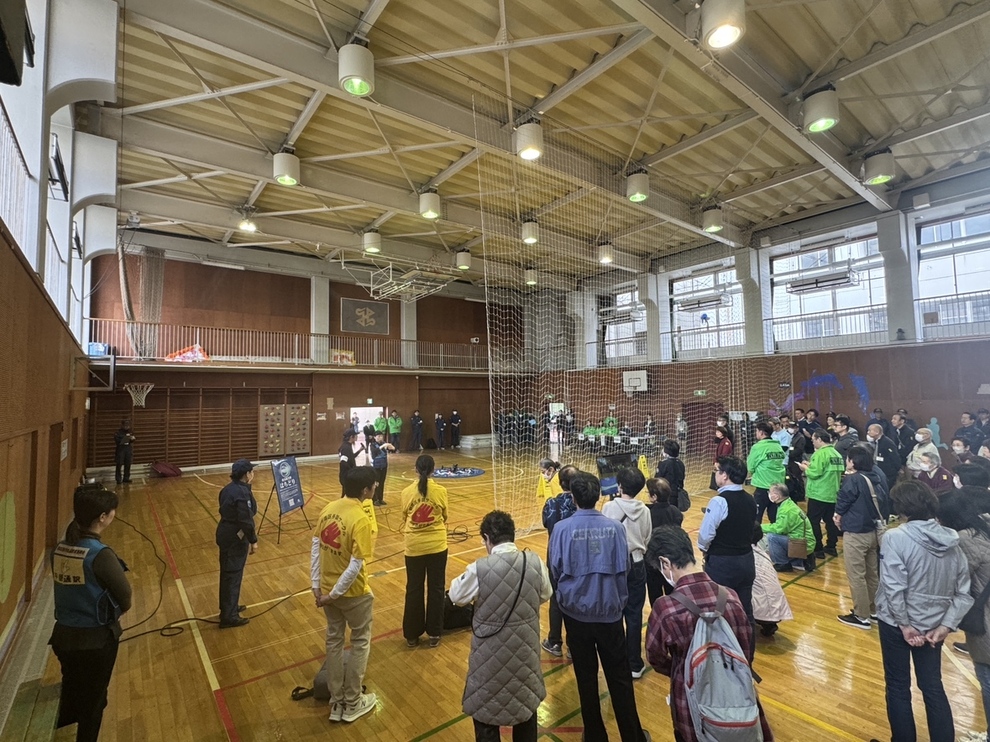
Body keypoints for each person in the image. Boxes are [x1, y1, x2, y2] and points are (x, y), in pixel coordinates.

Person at [644, 526, 773, 742]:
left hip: (690, 699)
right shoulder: (730, 596)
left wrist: (683, 670)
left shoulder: (666, 608)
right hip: (735, 695)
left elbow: (655, 657)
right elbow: (746, 650)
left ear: (665, 563)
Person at [548, 472, 652, 742]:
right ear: (598, 496)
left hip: (576, 615)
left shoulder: (561, 529)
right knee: (619, 677)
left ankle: (595, 735)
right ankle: (632, 735)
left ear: (573, 497)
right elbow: (626, 568)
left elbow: (555, 571)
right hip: (609, 613)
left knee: (586, 677)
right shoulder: (616, 528)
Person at [872, 481, 972, 742]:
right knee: (932, 685)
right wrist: (945, 626)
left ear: (902, 508)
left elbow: (894, 588)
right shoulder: (953, 541)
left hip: (897, 625)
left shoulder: (895, 537)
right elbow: (963, 593)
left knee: (898, 686)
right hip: (934, 627)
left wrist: (905, 625)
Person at [449, 511, 552, 742]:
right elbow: (546, 593)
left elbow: (456, 595)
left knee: (486, 710)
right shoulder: (534, 561)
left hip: (489, 656)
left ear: (487, 538)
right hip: (525, 651)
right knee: (525, 708)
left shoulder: (480, 568)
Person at [50, 483, 132, 742]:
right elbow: (125, 597)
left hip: (63, 636)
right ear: (102, 517)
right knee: (94, 702)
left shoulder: (60, 548)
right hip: (94, 641)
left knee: (73, 689)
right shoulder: (100, 555)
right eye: (111, 512)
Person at [311, 466, 379, 724]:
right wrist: (335, 593)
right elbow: (355, 564)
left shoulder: (328, 508)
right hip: (352, 593)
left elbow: (315, 547)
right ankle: (352, 702)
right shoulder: (360, 518)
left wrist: (317, 586)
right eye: (374, 485)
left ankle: (335, 701)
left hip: (327, 590)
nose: (376, 488)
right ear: (365, 490)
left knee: (334, 641)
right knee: (361, 640)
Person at [603, 467, 652, 679]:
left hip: (615, 565)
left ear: (619, 486)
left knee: (614, 614)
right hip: (638, 563)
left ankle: (616, 661)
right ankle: (634, 662)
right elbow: (647, 538)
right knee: (634, 614)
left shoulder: (608, 507)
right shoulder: (646, 510)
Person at [938, 491, 990, 688]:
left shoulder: (966, 540)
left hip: (985, 618)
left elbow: (953, 581)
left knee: (986, 680)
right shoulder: (984, 526)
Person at [834, 445, 890, 630]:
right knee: (872, 573)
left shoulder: (854, 479)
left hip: (856, 533)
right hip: (873, 530)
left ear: (853, 461)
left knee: (856, 575)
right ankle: (873, 610)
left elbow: (843, 500)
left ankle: (861, 615)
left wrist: (837, 515)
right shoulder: (877, 476)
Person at [699, 455, 757, 624]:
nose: (715, 474)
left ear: (725, 475)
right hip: (747, 560)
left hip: (723, 563)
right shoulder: (750, 499)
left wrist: (704, 549)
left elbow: (705, 535)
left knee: (718, 612)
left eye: (716, 471)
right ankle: (747, 647)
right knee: (745, 611)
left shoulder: (719, 501)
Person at [400, 455, 448, 648]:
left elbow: (405, 516)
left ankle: (412, 635)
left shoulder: (406, 492)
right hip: (437, 546)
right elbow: (444, 516)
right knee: (436, 589)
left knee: (414, 589)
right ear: (433, 470)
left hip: (414, 547)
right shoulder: (441, 491)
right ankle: (435, 633)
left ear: (415, 470)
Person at [540, 464, 578, 657]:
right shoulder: (581, 503)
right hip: (576, 556)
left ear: (560, 482)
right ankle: (573, 645)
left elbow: (546, 523)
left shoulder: (551, 503)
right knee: (575, 597)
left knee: (556, 598)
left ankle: (555, 642)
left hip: (555, 555)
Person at [216, 458, 258, 628]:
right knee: (232, 575)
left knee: (229, 574)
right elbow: (245, 519)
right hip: (234, 537)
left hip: (226, 533)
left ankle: (229, 607)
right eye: (251, 471)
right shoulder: (241, 493)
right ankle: (229, 616)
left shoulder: (229, 489)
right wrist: (253, 540)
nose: (252, 474)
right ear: (246, 474)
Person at [800, 430, 845, 558]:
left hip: (818, 493)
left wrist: (805, 468)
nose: (812, 442)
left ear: (819, 439)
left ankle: (818, 548)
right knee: (830, 522)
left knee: (813, 522)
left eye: (813, 440)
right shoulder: (836, 454)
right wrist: (811, 465)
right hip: (832, 493)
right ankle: (832, 546)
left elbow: (814, 473)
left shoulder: (819, 454)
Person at [760, 483, 816, 572]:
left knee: (772, 537)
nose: (768, 494)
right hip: (803, 540)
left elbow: (779, 529)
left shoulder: (787, 510)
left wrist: (760, 527)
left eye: (769, 492)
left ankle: (782, 563)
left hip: (802, 543)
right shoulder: (788, 504)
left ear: (776, 496)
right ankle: (798, 561)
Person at [751, 525, 793, 638]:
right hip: (778, 605)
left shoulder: (746, 556)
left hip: (764, 608)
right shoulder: (763, 553)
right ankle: (768, 623)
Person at [645, 477, 683, 605]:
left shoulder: (648, 514)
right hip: (672, 561)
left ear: (654, 496)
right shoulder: (676, 512)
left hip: (653, 563)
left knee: (655, 599)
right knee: (673, 596)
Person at [747, 421, 787, 523]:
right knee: (774, 516)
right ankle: (776, 537)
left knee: (756, 515)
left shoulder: (758, 447)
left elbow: (750, 466)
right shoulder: (777, 446)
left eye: (756, 431)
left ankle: (755, 537)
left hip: (763, 486)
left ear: (761, 432)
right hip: (778, 486)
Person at [368, 431, 395, 506]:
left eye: (381, 436)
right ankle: (375, 499)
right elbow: (374, 452)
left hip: (383, 466)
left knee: (382, 483)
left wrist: (391, 446)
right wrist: (383, 446)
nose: (380, 437)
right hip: (376, 467)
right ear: (375, 437)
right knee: (376, 483)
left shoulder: (384, 444)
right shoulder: (372, 445)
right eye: (378, 436)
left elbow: (393, 449)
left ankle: (380, 498)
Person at [338, 429, 365, 495]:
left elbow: (351, 457)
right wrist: (352, 471)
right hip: (347, 476)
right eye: (355, 435)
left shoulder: (347, 446)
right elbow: (343, 463)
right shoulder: (346, 448)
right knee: (346, 495)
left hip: (347, 475)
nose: (357, 437)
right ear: (351, 437)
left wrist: (360, 450)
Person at [709, 425, 733, 490]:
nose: (717, 433)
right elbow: (717, 454)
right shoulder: (720, 441)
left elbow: (724, 455)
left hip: (724, 464)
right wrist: (715, 462)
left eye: (719, 432)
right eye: (716, 432)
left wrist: (718, 463)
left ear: (723, 433)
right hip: (720, 463)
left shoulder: (726, 443)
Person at [113, 419, 135, 484]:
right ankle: (118, 479)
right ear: (122, 425)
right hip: (120, 449)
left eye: (128, 425)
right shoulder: (118, 432)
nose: (127, 427)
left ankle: (126, 478)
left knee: (128, 463)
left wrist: (132, 439)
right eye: (125, 425)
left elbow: (132, 440)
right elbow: (117, 440)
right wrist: (124, 439)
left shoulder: (130, 432)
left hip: (128, 448)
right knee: (119, 464)